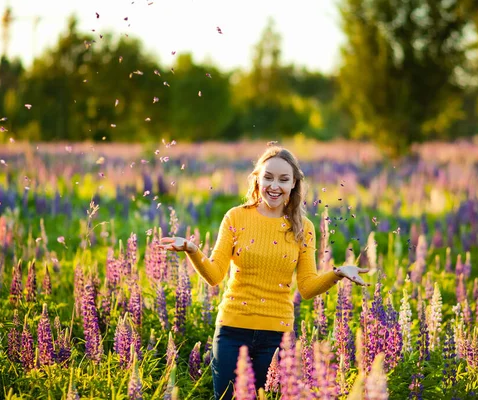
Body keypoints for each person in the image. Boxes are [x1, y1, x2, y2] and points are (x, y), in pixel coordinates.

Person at [158, 146, 369, 399]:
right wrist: (193, 249)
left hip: (276, 336)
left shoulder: (303, 227)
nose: (274, 185)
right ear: (257, 178)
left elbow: (307, 287)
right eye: (268, 177)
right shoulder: (235, 217)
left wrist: (338, 273)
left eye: (283, 179)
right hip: (231, 331)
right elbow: (214, 276)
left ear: (294, 184)